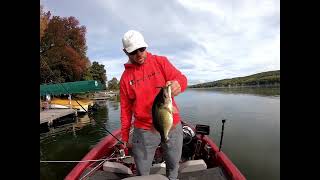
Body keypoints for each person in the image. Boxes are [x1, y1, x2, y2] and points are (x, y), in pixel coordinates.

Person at [119, 30, 188, 180]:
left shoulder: (160, 61)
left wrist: (178, 84)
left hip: (172, 124)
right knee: (142, 172)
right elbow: (125, 110)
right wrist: (124, 137)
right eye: (133, 52)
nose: (139, 54)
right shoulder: (125, 79)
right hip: (143, 131)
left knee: (173, 166)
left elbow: (181, 78)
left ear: (146, 46)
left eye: (141, 49)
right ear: (125, 52)